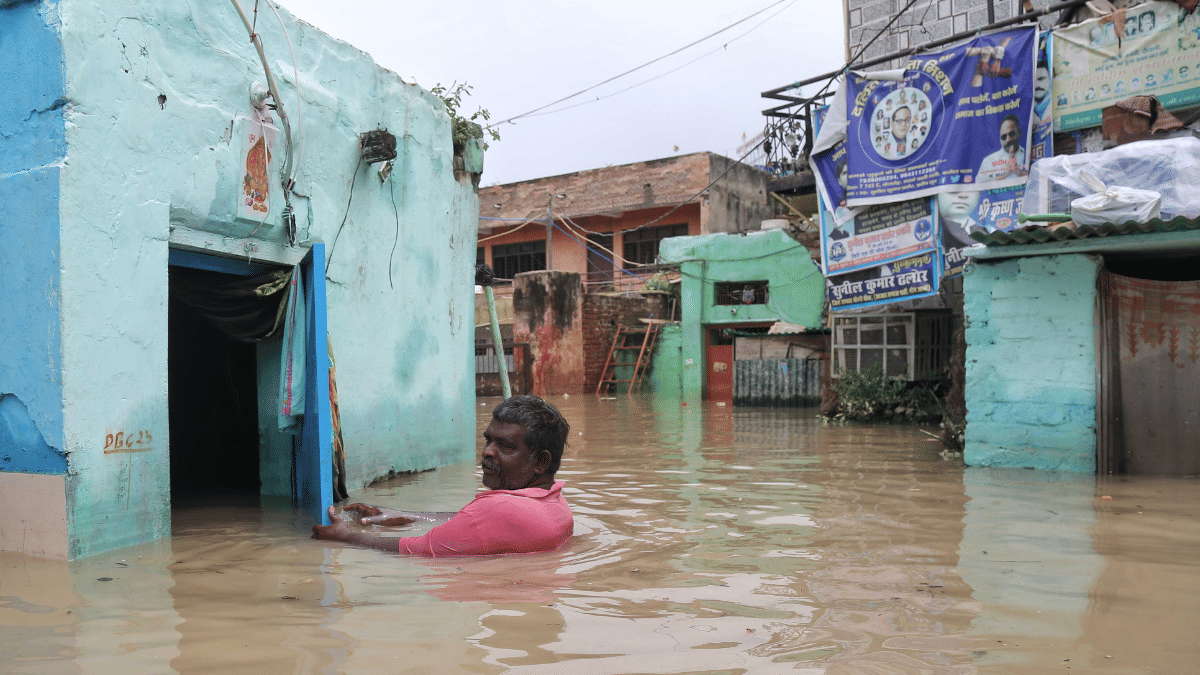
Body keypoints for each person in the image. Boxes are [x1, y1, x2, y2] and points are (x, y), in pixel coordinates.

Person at [312, 395, 574, 556]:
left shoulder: (499, 507)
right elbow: (477, 522)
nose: (487, 453)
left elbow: (416, 549)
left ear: (540, 461)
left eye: (505, 446)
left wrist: (345, 537)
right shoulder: (556, 504)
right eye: (488, 441)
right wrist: (406, 515)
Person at [975, 114, 1026, 182]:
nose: (1008, 140)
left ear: (1019, 132)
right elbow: (978, 189)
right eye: (1004, 137)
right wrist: (1004, 175)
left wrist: (1020, 173)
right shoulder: (988, 161)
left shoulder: (1029, 155)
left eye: (1012, 134)